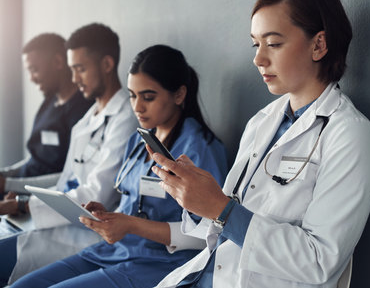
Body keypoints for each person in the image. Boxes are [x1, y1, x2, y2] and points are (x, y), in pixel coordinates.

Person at [150, 0, 370, 287]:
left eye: (273, 43)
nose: (258, 58)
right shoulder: (262, 122)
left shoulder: (350, 136)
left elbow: (320, 261)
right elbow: (223, 227)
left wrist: (221, 208)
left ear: (319, 44)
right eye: (256, 44)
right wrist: (195, 196)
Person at [11, 44, 229, 288]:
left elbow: (208, 233)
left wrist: (131, 225)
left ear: (179, 95)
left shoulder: (201, 149)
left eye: (148, 97)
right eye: (132, 95)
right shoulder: (139, 140)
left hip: (160, 264)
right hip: (114, 251)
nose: (137, 107)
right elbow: (135, 203)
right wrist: (109, 215)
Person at [1, 23, 138, 285]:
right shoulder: (88, 120)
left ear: (107, 64)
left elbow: (99, 195)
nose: (74, 79)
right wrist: (23, 200)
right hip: (57, 224)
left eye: (80, 69)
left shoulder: (126, 118)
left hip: (88, 234)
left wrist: (23, 204)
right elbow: (66, 182)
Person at [0, 33, 93, 204]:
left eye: (34, 70)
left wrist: (8, 184)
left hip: (39, 201)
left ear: (58, 62)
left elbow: (71, 177)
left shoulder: (84, 112)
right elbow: (34, 160)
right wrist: (5, 174)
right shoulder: (48, 103)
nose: (31, 78)